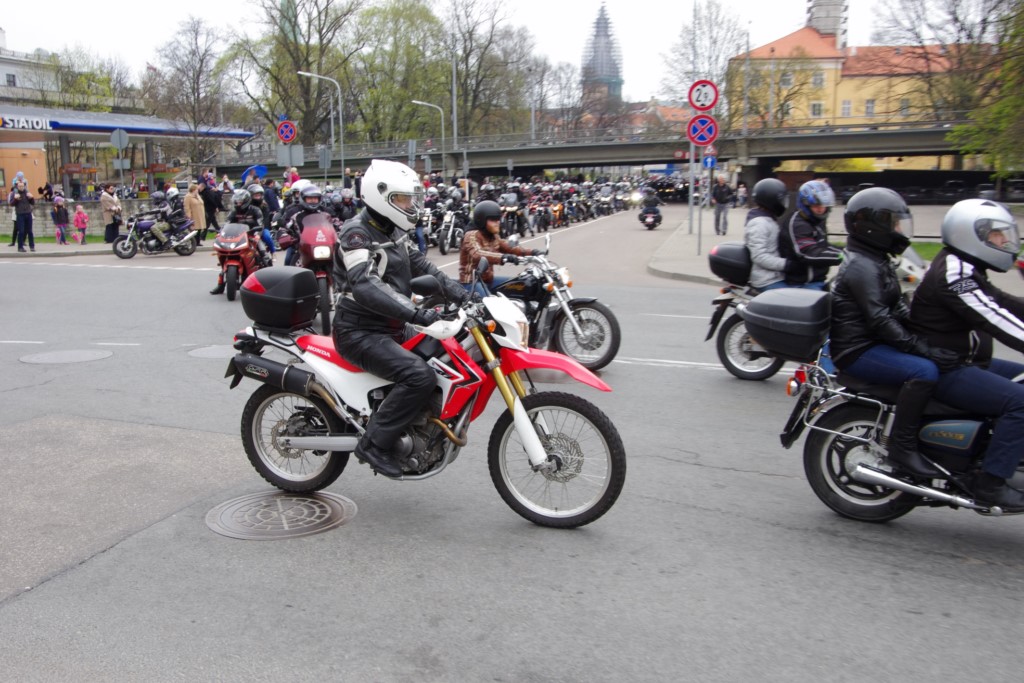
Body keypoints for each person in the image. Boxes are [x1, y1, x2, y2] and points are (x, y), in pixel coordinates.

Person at [332, 159, 469, 478]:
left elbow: (422, 265)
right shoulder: (356, 233)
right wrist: (418, 313)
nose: (411, 206)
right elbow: (364, 284)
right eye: (404, 199)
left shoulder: (393, 229)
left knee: (444, 352)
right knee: (419, 376)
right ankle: (374, 444)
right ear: (381, 196)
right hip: (359, 331)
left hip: (390, 326)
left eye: (411, 199)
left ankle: (418, 424)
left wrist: (463, 294)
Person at [828, 187, 958, 479]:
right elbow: (880, 319)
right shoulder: (862, 267)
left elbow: (896, 306)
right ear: (872, 226)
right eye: (894, 224)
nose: (899, 230)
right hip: (857, 350)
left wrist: (927, 332)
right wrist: (922, 349)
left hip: (872, 342)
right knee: (924, 371)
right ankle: (902, 446)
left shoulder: (875, 258)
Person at [909, 199, 1024, 510]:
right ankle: (990, 483)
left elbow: (1001, 302)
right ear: (971, 235)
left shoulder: (966, 267)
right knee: (1021, 402)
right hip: (948, 367)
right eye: (997, 235)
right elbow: (994, 318)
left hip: (969, 361)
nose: (1004, 242)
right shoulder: (954, 274)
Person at [458, 200, 540, 297]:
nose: (497, 223)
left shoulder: (493, 236)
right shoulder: (471, 235)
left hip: (489, 280)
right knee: (491, 303)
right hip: (472, 282)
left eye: (498, 220)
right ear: (482, 220)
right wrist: (503, 257)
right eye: (493, 220)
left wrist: (532, 252)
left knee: (520, 285)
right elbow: (478, 253)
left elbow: (509, 248)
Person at [779, 180, 844, 290]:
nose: (820, 209)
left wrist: (850, 251)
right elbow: (809, 253)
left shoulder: (816, 221)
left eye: (823, 205)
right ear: (805, 204)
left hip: (817, 280)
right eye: (816, 205)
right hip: (802, 284)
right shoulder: (798, 224)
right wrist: (842, 256)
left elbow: (824, 247)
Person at [743, 178, 800, 291]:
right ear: (772, 200)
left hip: (776, 276)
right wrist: (787, 264)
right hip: (766, 280)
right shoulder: (759, 223)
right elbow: (759, 256)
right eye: (782, 200)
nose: (784, 203)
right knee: (794, 299)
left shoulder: (768, 219)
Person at [9, 180, 36, 252]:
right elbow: (11, 204)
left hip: (28, 213)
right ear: (17, 187)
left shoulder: (27, 193)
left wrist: (32, 197)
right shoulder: (14, 193)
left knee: (30, 231)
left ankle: (32, 246)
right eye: (19, 186)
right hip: (20, 214)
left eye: (22, 186)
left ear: (24, 186)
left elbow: (33, 203)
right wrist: (15, 199)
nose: (21, 187)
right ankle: (20, 247)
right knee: (21, 231)